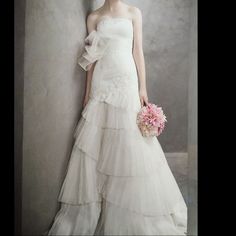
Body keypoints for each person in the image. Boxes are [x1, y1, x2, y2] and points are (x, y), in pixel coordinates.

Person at [47, 0, 187, 235]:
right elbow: (92, 58)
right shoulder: (93, 17)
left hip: (126, 79)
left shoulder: (134, 12)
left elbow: (137, 50)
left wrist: (143, 87)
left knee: (128, 140)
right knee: (98, 140)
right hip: (103, 79)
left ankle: (127, 206)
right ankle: (100, 202)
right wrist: (87, 92)